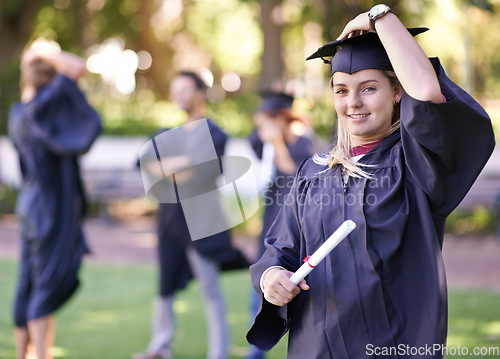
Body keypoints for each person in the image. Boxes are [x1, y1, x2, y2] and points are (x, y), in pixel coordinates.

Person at [246, 5, 495, 359]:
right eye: (341, 90)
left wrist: (380, 18)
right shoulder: (312, 174)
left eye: (368, 88)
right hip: (316, 348)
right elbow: (280, 251)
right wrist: (272, 278)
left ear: (397, 92)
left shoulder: (414, 165)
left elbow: (425, 92)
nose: (353, 103)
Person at [133, 71, 248, 359]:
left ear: (200, 93)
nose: (179, 94)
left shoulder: (214, 133)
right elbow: (145, 164)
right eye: (175, 89)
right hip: (170, 219)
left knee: (210, 287)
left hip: (202, 221)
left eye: (185, 88)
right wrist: (179, 165)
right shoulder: (165, 134)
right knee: (165, 284)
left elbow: (194, 174)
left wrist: (167, 167)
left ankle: (218, 351)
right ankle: (160, 346)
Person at [8, 40, 102, 359]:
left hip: (29, 205)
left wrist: (33, 63)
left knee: (27, 283)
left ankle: (24, 354)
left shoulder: (19, 113)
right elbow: (76, 68)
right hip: (51, 209)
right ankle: (42, 355)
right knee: (45, 286)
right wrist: (44, 54)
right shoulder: (46, 109)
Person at [246, 91, 314, 359]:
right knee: (260, 285)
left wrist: (277, 139)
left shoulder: (302, 145)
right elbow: (255, 138)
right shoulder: (268, 144)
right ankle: (256, 350)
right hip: (269, 226)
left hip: (293, 231)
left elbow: (291, 170)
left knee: (290, 295)